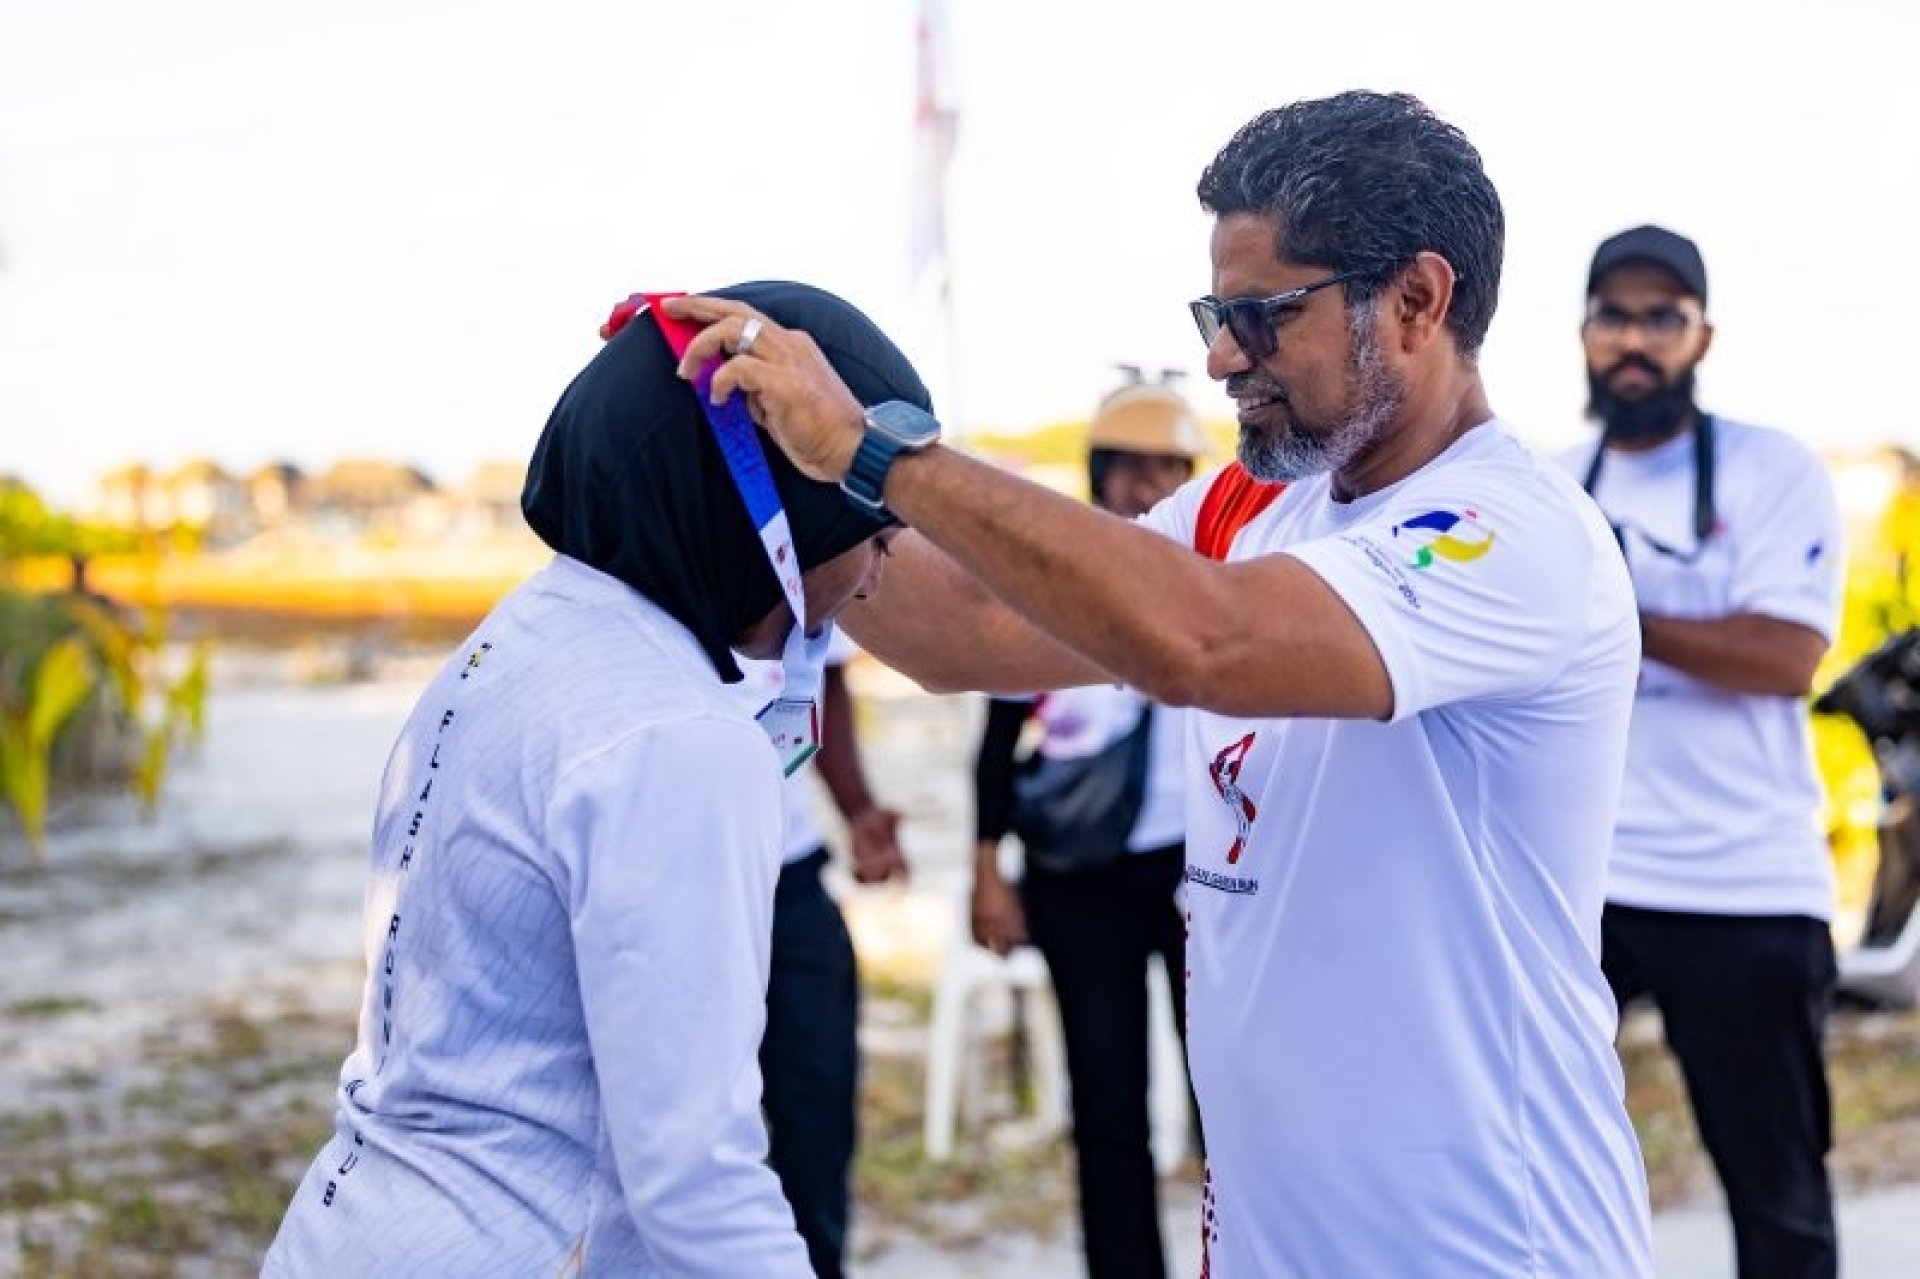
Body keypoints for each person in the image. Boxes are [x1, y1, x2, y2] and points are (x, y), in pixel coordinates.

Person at [663, 89, 1656, 1275]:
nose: (1221, 356)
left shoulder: (1511, 532)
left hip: (1487, 1248)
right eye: (1215, 313)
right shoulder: (1255, 506)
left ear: (1417, 302)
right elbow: (966, 628)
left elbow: (1203, 644)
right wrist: (758, 478)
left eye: (1262, 316)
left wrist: (875, 450)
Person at [261, 281, 930, 1277]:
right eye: (873, 536)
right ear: (781, 510)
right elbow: (694, 1185)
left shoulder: (517, 642)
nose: (877, 576)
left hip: (348, 1228)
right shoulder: (680, 736)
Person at [1558, 225, 1844, 1279]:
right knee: (1526, 1155)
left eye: (1661, 318)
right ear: (1585, 331)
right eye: (1614, 316)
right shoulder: (1551, 486)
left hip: (1743, 882)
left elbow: (1784, 655)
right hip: (1581, 882)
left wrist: (1613, 618)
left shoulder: (1773, 470)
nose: (1635, 340)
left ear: (1702, 336)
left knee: (1777, 1197)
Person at [968, 373, 1203, 1279]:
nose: (1147, 484)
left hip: (1194, 868)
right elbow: (996, 742)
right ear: (1098, 469)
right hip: (1077, 873)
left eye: (1166, 466)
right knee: (1107, 1102)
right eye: (1130, 465)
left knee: (1226, 1094)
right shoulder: (1049, 581)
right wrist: (987, 871)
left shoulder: (1219, 575)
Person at [737, 633, 905, 1279]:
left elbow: (822, 680)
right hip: (684, 879)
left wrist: (858, 808)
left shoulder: (811, 575)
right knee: (692, 1134)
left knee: (817, 1119)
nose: (870, 583)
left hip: (792, 876)